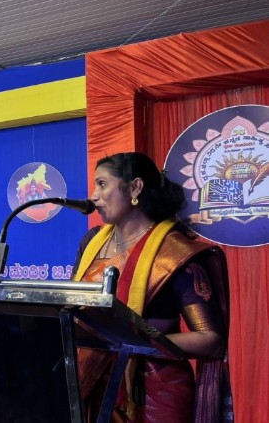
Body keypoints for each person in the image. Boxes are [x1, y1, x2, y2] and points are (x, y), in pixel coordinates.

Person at [72, 152, 229, 422]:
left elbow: (211, 341)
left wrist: (132, 342)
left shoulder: (173, 252)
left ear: (135, 188)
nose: (94, 196)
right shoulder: (92, 242)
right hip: (92, 382)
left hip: (153, 395)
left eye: (102, 184)